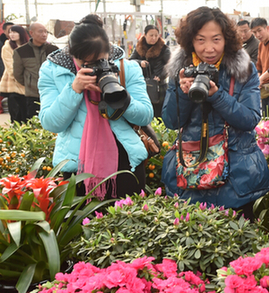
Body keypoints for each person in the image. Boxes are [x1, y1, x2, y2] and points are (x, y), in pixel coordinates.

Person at [161, 7, 269, 220]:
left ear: (226, 39)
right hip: (192, 175)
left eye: (216, 39)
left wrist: (216, 95)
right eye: (201, 40)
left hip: (236, 179)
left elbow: (249, 119)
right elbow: (172, 121)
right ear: (190, 40)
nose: (209, 48)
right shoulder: (181, 71)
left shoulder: (243, 70)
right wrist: (183, 93)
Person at [38, 14, 153, 200]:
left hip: (126, 163)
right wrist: (74, 89)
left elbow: (145, 116)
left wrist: (119, 94)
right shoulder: (53, 70)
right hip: (77, 167)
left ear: (108, 50)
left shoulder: (126, 68)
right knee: (83, 225)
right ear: (72, 53)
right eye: (85, 62)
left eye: (100, 59)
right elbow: (51, 123)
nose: (93, 67)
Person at [13, 22, 58, 120]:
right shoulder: (21, 51)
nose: (44, 34)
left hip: (52, 92)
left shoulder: (54, 50)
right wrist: (29, 83)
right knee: (34, 122)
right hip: (32, 94)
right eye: (40, 31)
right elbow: (18, 74)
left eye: (46, 32)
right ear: (31, 33)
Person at [129, 24, 171, 118]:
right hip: (142, 84)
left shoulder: (163, 49)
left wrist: (160, 76)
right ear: (145, 35)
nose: (154, 38)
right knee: (144, 111)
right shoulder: (139, 47)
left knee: (158, 113)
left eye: (156, 35)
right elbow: (130, 61)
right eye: (151, 35)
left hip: (158, 86)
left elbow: (170, 65)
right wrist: (140, 63)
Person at [0, 25, 29, 124]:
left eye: (14, 32)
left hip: (28, 84)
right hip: (13, 82)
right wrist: (21, 79)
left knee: (27, 114)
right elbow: (10, 67)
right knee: (16, 113)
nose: (12, 34)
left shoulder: (28, 46)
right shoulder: (7, 46)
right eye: (10, 32)